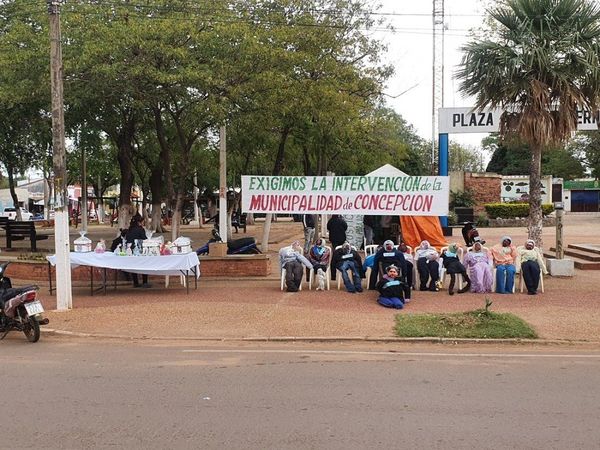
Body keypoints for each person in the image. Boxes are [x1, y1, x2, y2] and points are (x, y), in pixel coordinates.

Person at [125, 213, 151, 288]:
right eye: (142, 222)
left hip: (130, 249)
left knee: (134, 266)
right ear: (139, 222)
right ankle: (145, 282)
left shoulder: (129, 229)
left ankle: (135, 282)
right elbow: (144, 239)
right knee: (144, 265)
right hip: (139, 249)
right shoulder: (140, 229)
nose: (143, 223)